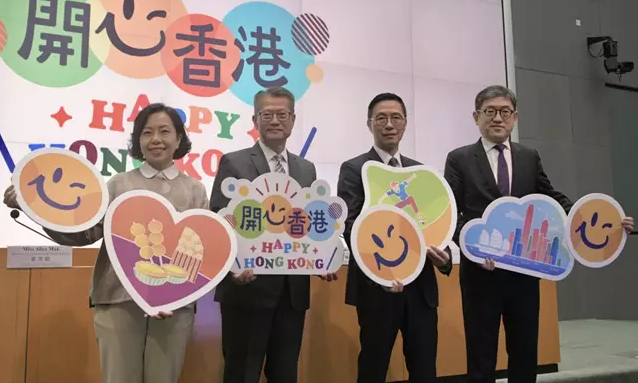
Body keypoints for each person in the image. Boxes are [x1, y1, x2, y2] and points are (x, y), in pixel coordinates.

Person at [3, 103, 207, 383]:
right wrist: (35, 208)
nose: (155, 139)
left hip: (174, 307)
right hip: (117, 298)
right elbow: (83, 234)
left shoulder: (195, 190)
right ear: (138, 140)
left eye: (164, 131)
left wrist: (173, 293)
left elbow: (201, 253)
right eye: (147, 132)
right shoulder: (117, 184)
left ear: (179, 138)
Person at [444, 85, 635, 383]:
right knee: (481, 354)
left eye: (505, 112)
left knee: (524, 351)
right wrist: (473, 249)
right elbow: (451, 214)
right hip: (481, 274)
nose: (498, 118)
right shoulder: (459, 158)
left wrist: (600, 220)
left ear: (515, 117)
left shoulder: (528, 156)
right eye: (490, 111)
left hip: (525, 273)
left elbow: (551, 197)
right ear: (476, 117)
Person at [210, 87, 335, 383]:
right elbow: (219, 220)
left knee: (285, 373)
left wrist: (322, 258)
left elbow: (308, 224)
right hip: (246, 291)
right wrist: (233, 268)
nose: (275, 121)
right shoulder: (234, 162)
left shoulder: (306, 169)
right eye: (267, 115)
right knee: (242, 374)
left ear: (292, 120)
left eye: (282, 114)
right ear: (255, 120)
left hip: (292, 295)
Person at [337, 92, 452, 383]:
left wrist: (444, 258)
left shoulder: (420, 172)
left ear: (405, 123)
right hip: (376, 288)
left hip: (421, 288)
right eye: (381, 118)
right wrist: (382, 272)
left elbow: (434, 223)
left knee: (424, 369)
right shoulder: (354, 169)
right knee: (373, 367)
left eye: (396, 118)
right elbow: (350, 225)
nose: (389, 124)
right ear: (369, 124)